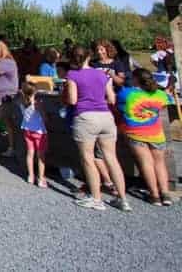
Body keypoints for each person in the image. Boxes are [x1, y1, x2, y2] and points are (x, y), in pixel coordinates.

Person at [64, 45, 131, 211]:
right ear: (89, 56)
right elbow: (112, 99)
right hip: (105, 116)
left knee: (87, 158)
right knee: (111, 158)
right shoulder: (102, 73)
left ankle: (96, 198)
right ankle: (122, 199)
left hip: (86, 118)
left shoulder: (72, 74)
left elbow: (72, 100)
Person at [117, 68, 172, 206]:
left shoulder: (127, 93)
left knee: (146, 163)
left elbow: (117, 104)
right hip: (156, 132)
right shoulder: (160, 95)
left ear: (136, 79)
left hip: (136, 132)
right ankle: (165, 194)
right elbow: (166, 103)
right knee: (160, 163)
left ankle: (154, 195)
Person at [19, 82, 48, 187]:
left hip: (27, 130)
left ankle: (30, 176)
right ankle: (41, 178)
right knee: (41, 156)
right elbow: (45, 118)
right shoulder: (37, 103)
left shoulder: (22, 103)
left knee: (30, 153)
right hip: (39, 132)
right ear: (35, 91)